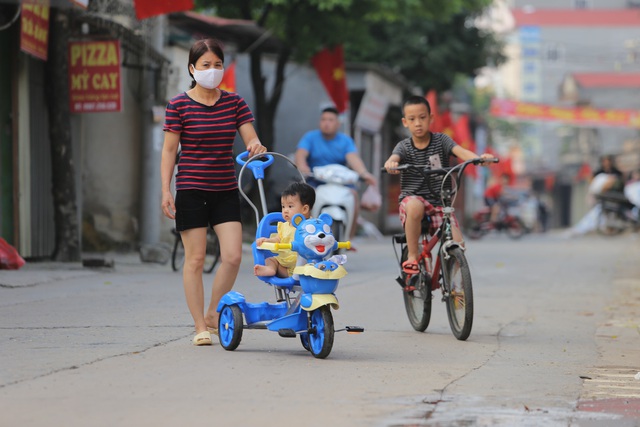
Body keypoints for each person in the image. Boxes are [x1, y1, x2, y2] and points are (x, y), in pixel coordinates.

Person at [160, 38, 267, 346]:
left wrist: (255, 146)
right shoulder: (178, 105)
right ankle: (199, 327)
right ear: (192, 69)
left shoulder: (235, 102)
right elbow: (169, 151)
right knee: (194, 259)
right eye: (205, 65)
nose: (212, 70)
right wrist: (165, 190)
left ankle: (212, 312)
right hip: (191, 188)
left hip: (225, 189)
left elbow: (251, 138)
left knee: (233, 256)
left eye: (217, 64)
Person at [384, 96, 494, 275]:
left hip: (440, 203)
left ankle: (454, 287)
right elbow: (393, 158)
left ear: (431, 118)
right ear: (405, 122)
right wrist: (391, 164)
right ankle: (412, 256)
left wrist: (479, 159)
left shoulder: (441, 140)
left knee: (459, 246)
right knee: (414, 206)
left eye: (422, 117)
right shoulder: (403, 146)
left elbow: (462, 152)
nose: (418, 123)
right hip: (413, 200)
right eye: (412, 119)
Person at [295, 107, 377, 240]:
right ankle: (302, 233)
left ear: (338, 123)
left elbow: (353, 158)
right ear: (319, 122)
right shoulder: (310, 137)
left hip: (340, 182)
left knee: (354, 195)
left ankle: (349, 237)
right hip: (315, 180)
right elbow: (301, 154)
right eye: (323, 119)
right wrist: (302, 167)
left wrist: (364, 173)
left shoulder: (345, 141)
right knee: (305, 198)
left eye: (331, 120)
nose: (326, 123)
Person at [253, 182, 315, 278]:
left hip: (304, 266)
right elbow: (278, 239)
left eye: (290, 206)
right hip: (284, 267)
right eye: (283, 206)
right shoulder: (284, 226)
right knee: (271, 260)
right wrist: (268, 240)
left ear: (305, 209)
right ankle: (271, 269)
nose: (285, 210)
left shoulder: (311, 226)